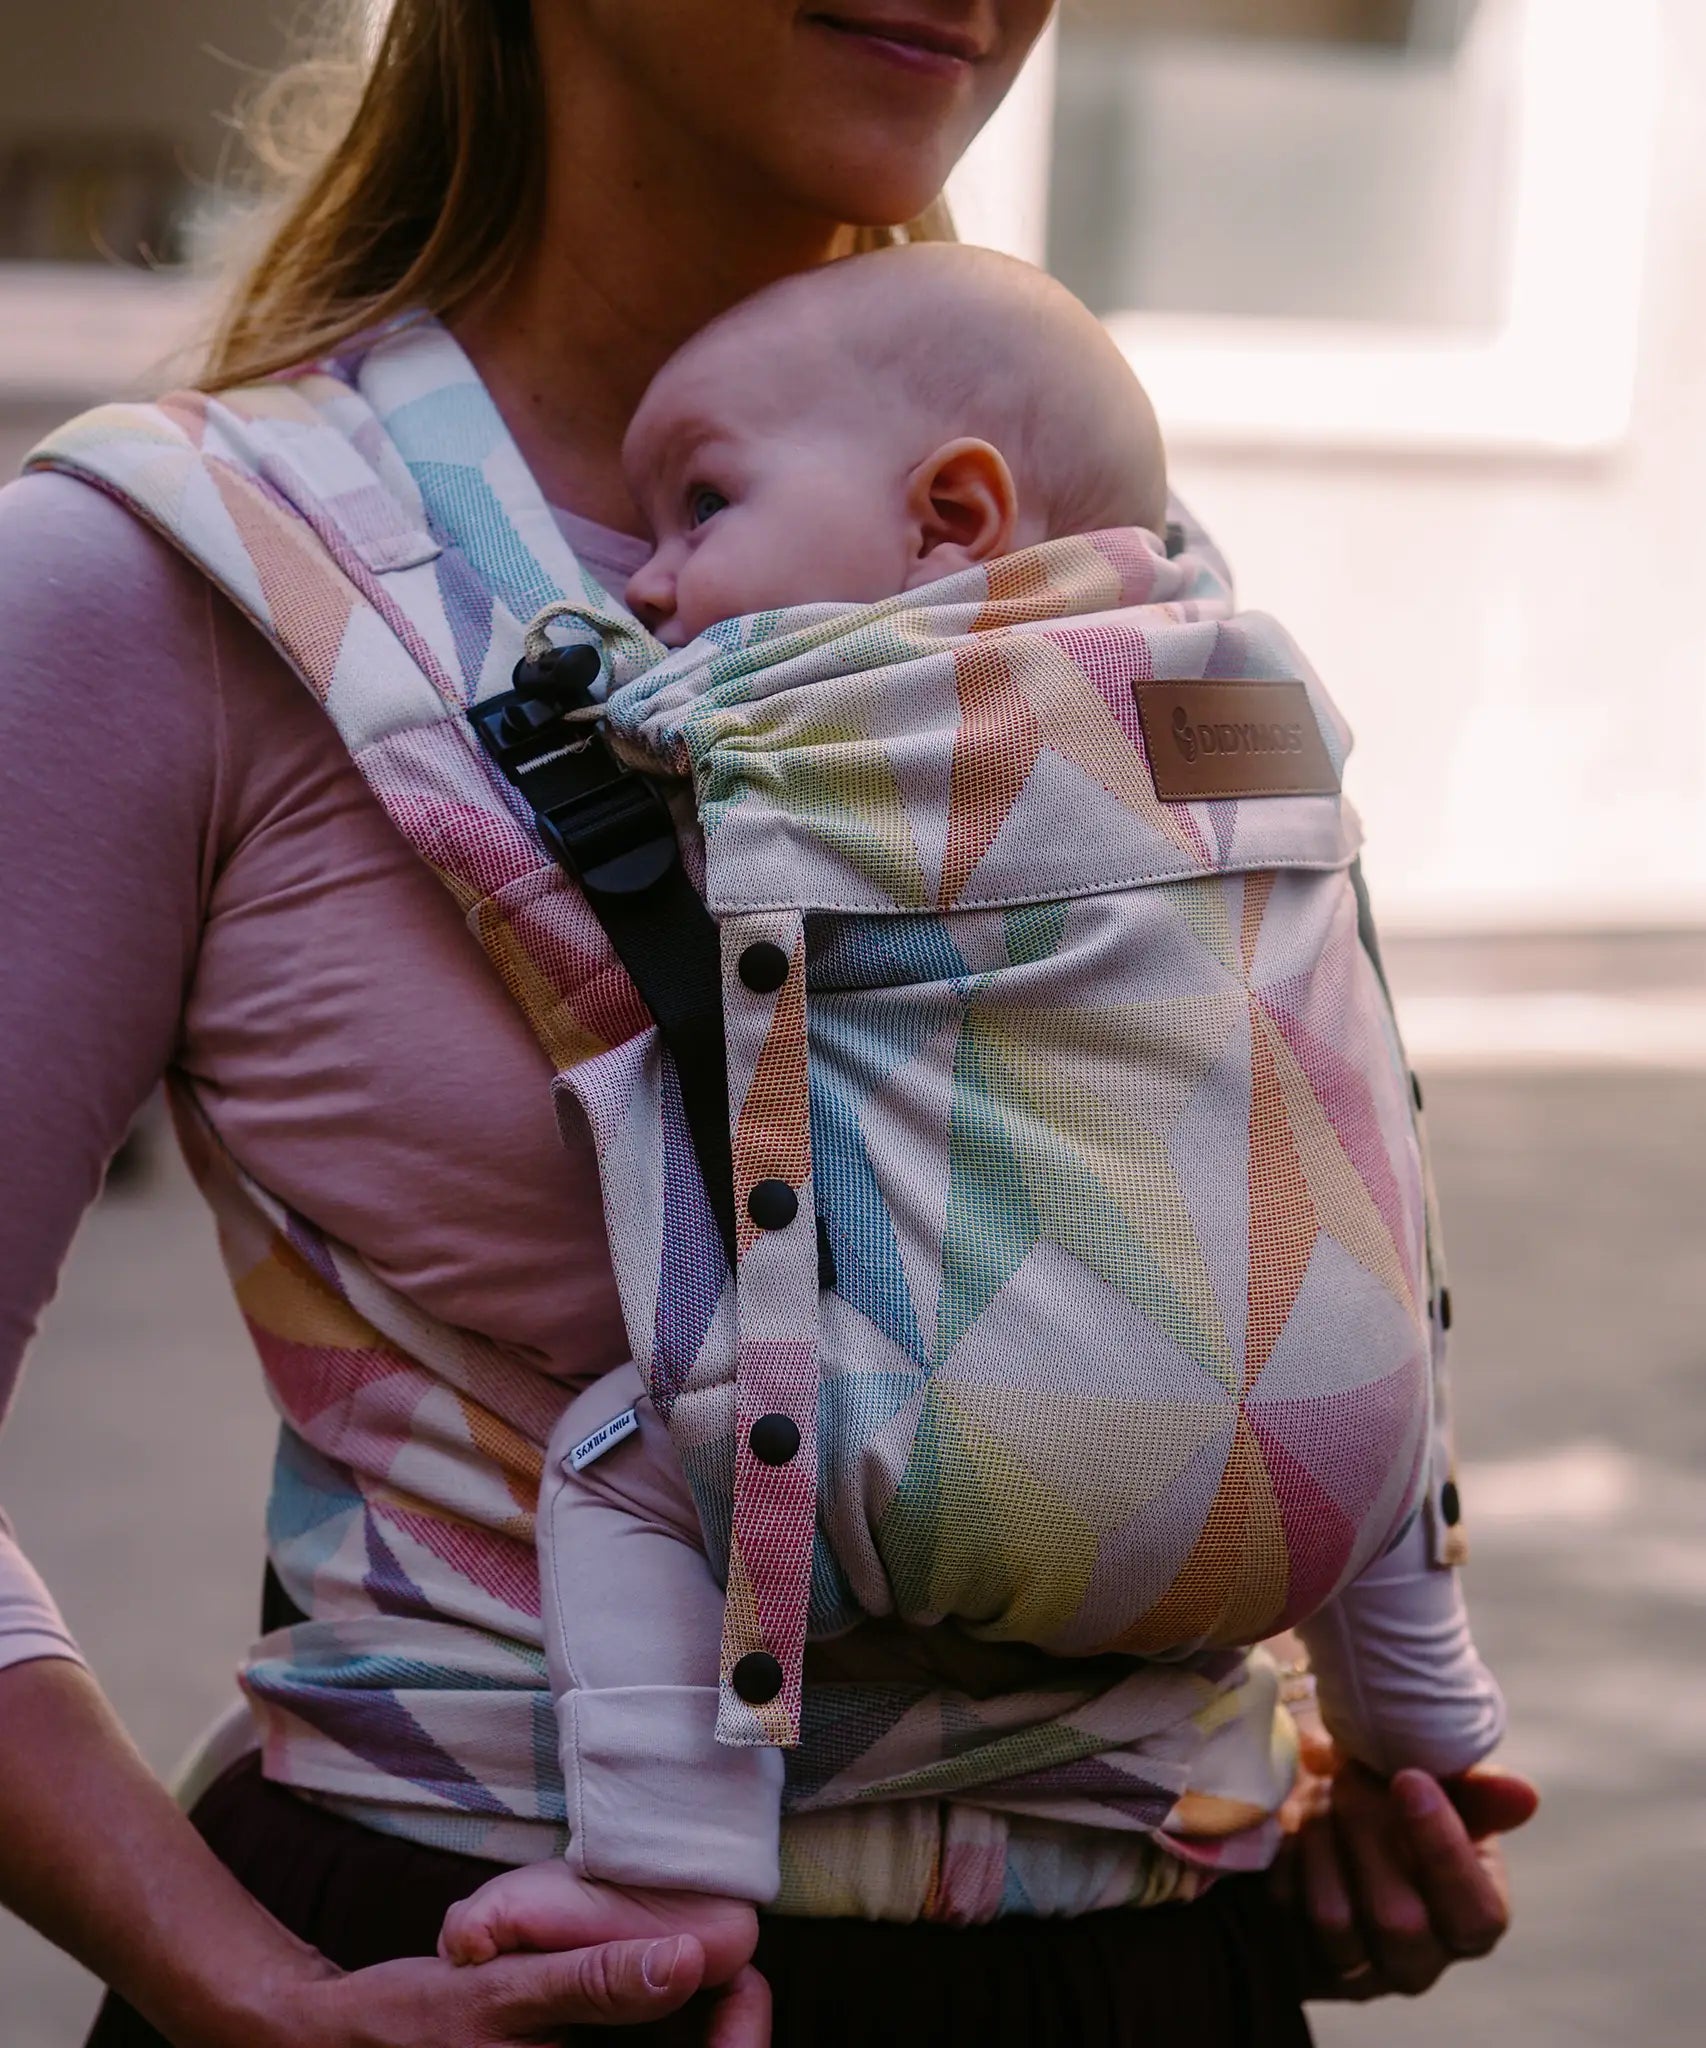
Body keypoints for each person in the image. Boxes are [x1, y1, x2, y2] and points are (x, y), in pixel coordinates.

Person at [0, 5, 1535, 2046]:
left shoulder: (1086, 550)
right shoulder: (170, 572)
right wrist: (243, 1991)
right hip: (489, 1963)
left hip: (1162, 1970)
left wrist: (1286, 1787)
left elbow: (1275, 1200)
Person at [429, 241, 1506, 1990]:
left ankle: (666, 1866)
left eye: (701, 505)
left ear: (947, 519)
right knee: (1350, 1326)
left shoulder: (809, 718)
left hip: (980, 1461)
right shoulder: (1244, 698)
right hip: (1336, 1454)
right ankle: (1429, 1714)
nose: (658, 583)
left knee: (623, 1469)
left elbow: (607, 755)